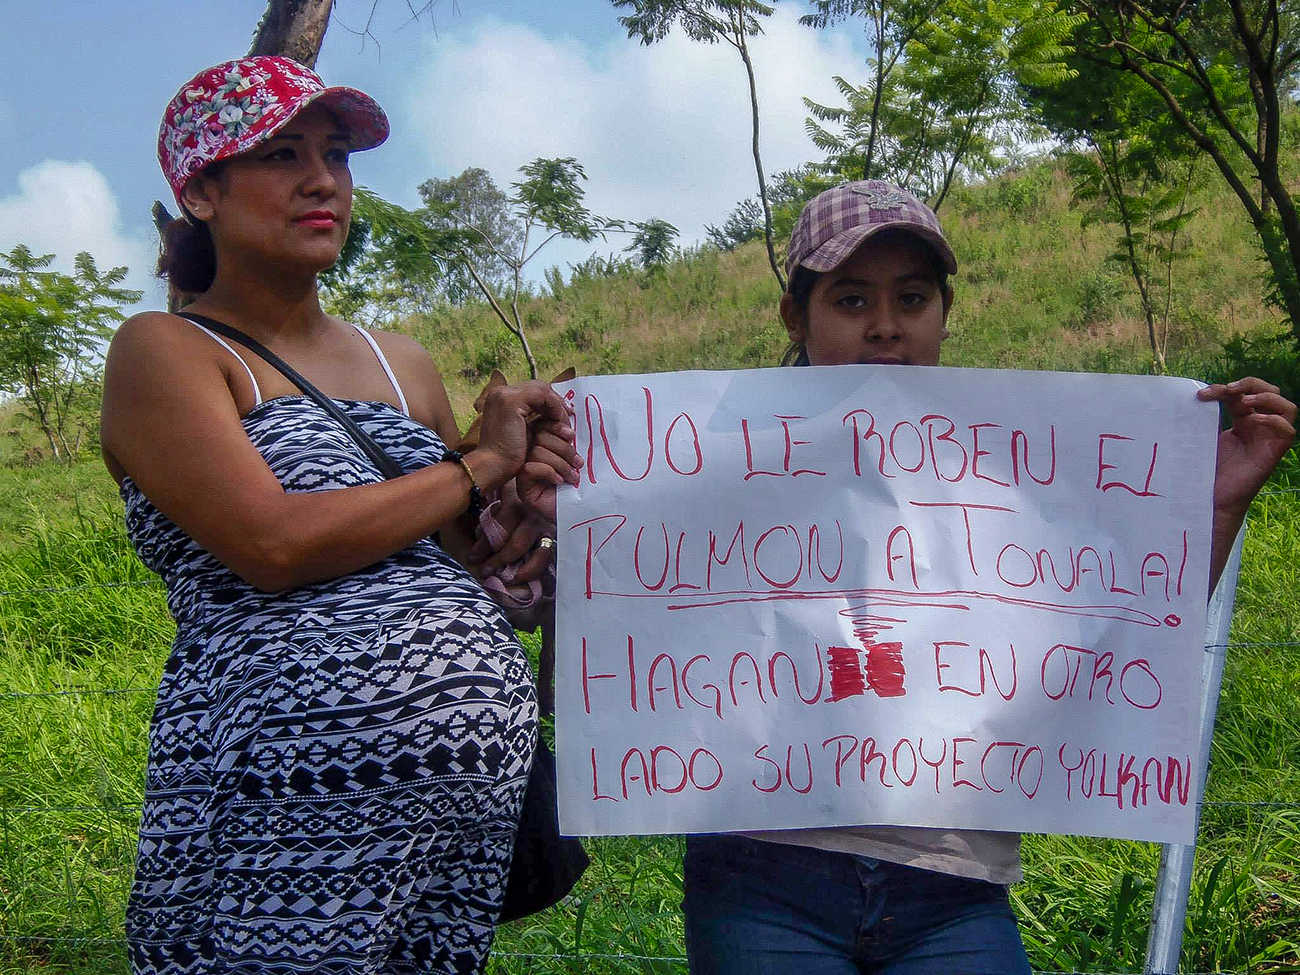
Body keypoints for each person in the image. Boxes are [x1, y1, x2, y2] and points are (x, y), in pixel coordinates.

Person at [680, 180, 1297, 974]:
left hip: (953, 883)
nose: (885, 325)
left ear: (944, 310)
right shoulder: (704, 454)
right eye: (851, 298)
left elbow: (1118, 639)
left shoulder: (1020, 466)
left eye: (912, 296)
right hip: (761, 879)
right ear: (794, 316)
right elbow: (622, 638)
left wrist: (1213, 510)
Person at [101, 56, 577, 975]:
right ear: (202, 190)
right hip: (272, 811)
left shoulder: (404, 362)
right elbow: (272, 544)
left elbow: (460, 567)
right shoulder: (166, 350)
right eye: (282, 154)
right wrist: (480, 462)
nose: (323, 179)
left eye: (337, 154)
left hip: (450, 828)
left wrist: (527, 515)